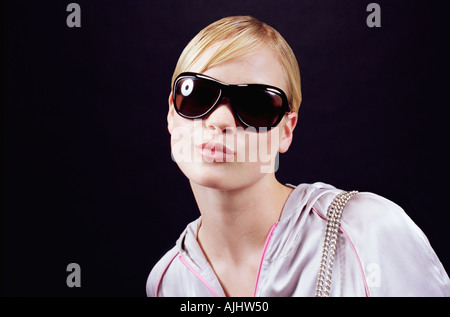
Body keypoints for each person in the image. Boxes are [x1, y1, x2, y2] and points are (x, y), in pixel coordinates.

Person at [146, 16, 449, 297]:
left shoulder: (369, 232)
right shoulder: (166, 281)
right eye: (197, 94)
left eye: (255, 105)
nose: (221, 121)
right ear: (172, 113)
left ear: (286, 131)